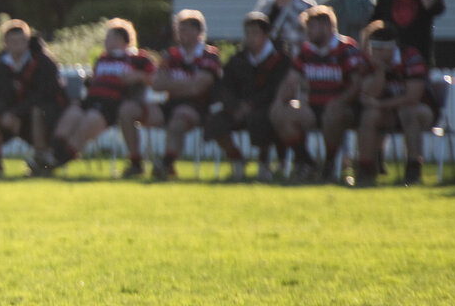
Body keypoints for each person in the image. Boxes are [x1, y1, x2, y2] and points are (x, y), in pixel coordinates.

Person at [270, 5, 364, 182]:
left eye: (311, 28)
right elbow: (291, 80)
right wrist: (279, 101)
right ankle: (307, 162)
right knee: (281, 113)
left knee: (332, 113)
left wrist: (341, 101)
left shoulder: (346, 48)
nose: (308, 33)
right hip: (314, 107)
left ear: (327, 27)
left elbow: (357, 83)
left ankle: (330, 164)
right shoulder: (307, 51)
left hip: (343, 108)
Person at [49, 20, 155, 170]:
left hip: (112, 103)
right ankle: (53, 153)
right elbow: (94, 81)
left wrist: (138, 76)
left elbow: (155, 79)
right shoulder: (103, 58)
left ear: (120, 39)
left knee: (90, 119)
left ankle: (59, 159)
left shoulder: (138, 59)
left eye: (109, 38)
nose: (105, 41)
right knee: (71, 114)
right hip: (92, 99)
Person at [345, 21, 432, 186]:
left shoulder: (410, 57)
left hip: (421, 111)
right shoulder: (368, 61)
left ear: (391, 48)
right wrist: (380, 71)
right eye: (373, 49)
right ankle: (365, 169)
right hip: (389, 112)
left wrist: (380, 105)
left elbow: (412, 97)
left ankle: (413, 168)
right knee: (369, 115)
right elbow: (368, 95)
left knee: (408, 112)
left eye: (379, 49)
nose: (374, 53)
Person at [0, 21, 63, 177]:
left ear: (27, 40)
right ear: (6, 43)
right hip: (10, 116)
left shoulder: (43, 62)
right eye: (13, 41)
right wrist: (4, 113)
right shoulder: (1, 63)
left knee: (39, 112)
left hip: (37, 116)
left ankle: (41, 162)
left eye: (21, 40)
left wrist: (18, 113)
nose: (17, 45)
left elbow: (45, 94)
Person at [213, 12, 289, 181]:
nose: (250, 37)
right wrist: (234, 106)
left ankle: (265, 163)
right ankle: (236, 158)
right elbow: (226, 86)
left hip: (266, 106)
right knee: (215, 121)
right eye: (247, 33)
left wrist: (251, 105)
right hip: (239, 107)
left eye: (255, 33)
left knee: (263, 119)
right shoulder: (238, 59)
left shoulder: (280, 59)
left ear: (266, 34)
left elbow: (276, 89)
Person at [148, 10, 222, 182]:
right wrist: (187, 84)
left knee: (178, 120)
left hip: (198, 106)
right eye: (179, 29)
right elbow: (157, 84)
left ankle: (166, 163)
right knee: (132, 111)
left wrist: (172, 84)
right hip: (171, 103)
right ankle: (135, 164)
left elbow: (198, 89)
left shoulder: (209, 55)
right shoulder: (171, 55)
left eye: (185, 30)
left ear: (198, 32)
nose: (180, 34)